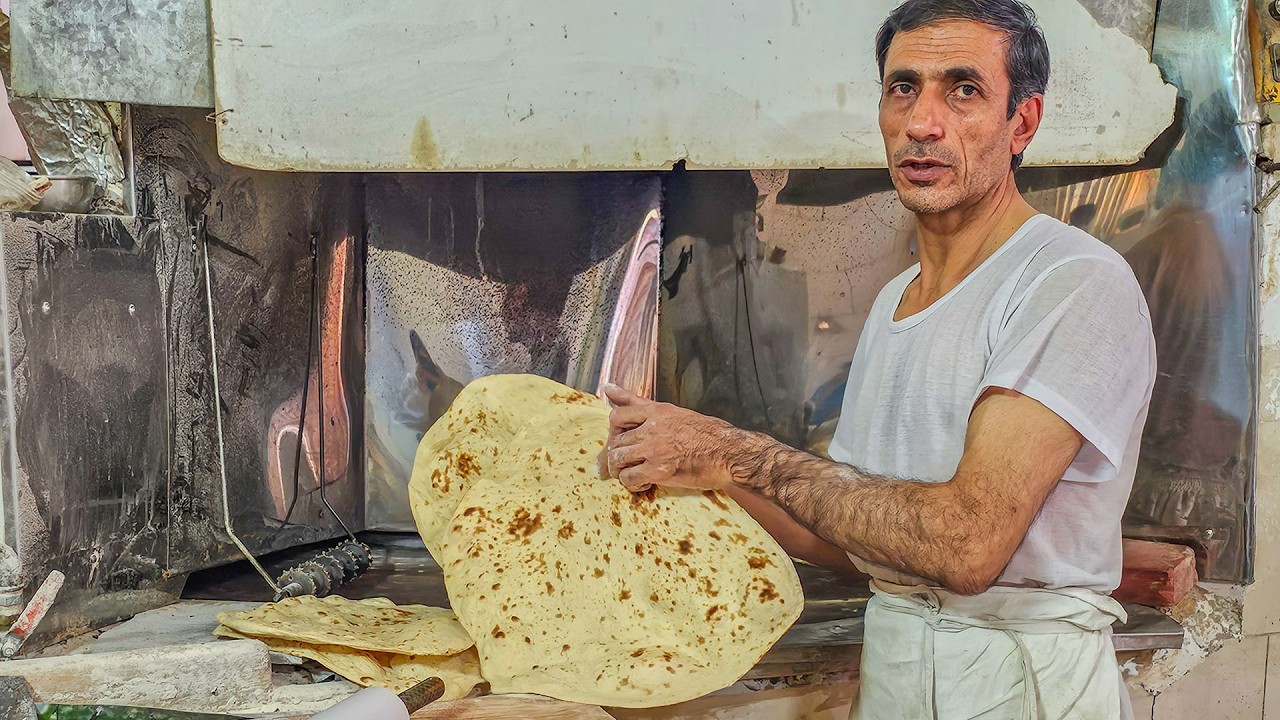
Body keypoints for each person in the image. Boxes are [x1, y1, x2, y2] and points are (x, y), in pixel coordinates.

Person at [600, 1, 1156, 718]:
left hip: (1018, 684)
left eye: (963, 89)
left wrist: (742, 454)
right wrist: (704, 468)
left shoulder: (1069, 280)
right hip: (896, 671)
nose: (923, 122)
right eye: (903, 88)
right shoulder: (900, 298)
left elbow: (965, 546)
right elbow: (858, 540)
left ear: (1022, 123)